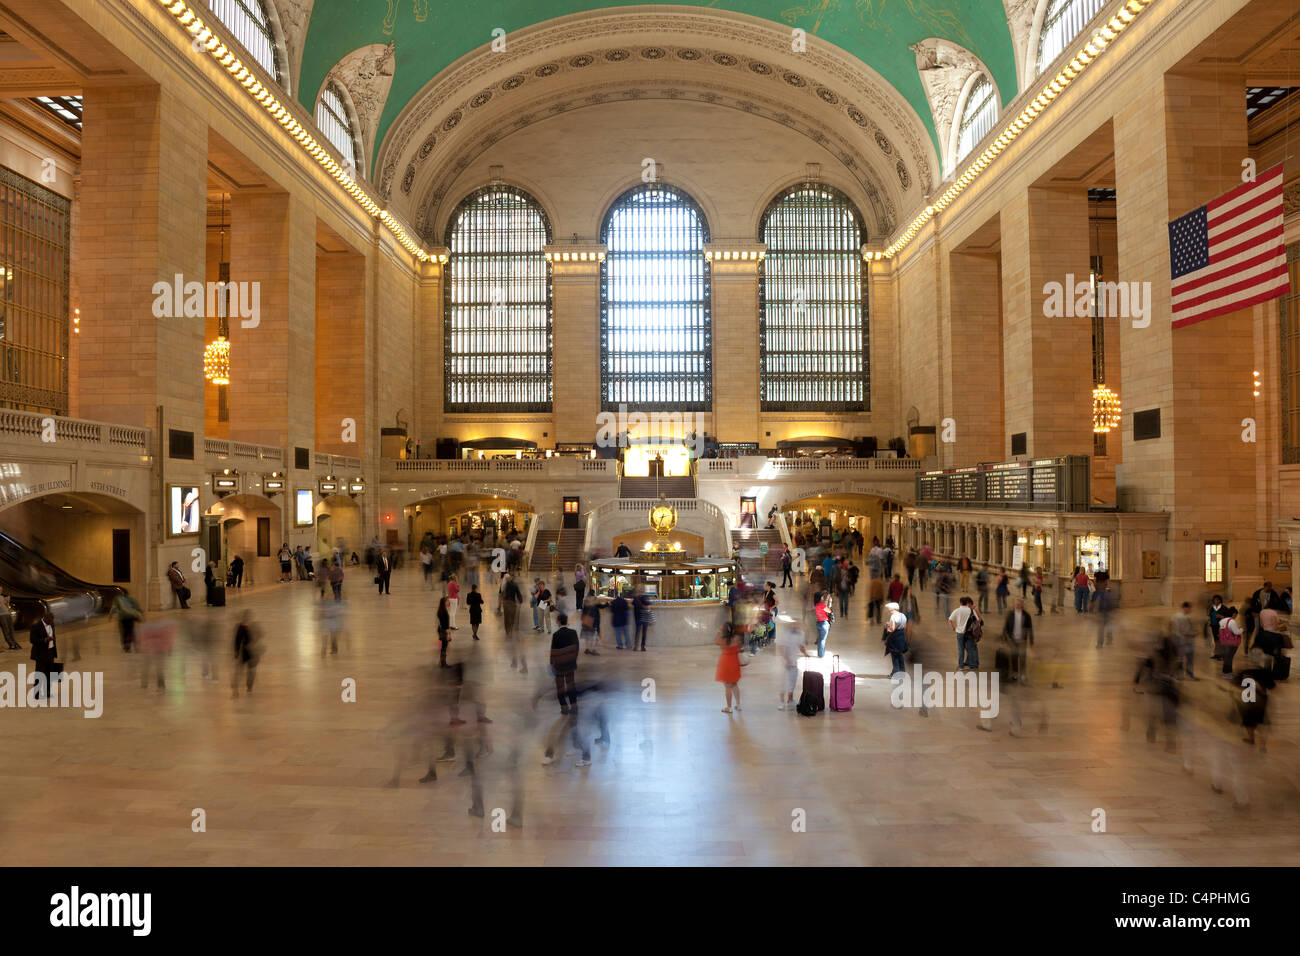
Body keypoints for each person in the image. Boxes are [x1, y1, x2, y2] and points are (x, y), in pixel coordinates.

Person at [549, 613, 580, 714]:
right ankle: (574, 706)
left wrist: (552, 664)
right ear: (566, 621)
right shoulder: (573, 633)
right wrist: (573, 660)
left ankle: (564, 707)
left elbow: (553, 651)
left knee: (560, 687)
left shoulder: (556, 635)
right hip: (570, 664)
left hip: (560, 666)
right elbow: (577, 648)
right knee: (571, 685)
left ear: (558, 622)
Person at [1002, 597, 1033, 682]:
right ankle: (1015, 673)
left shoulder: (1026, 615)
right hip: (1013, 640)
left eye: (1019, 603)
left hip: (1022, 640)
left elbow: (1030, 628)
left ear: (1022, 605)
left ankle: (1022, 674)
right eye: (1016, 603)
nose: (1017, 605)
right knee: (1014, 657)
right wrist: (1004, 636)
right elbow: (1006, 626)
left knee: (1023, 658)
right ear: (1014, 604)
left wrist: (1031, 639)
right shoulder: (1010, 614)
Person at [29, 608, 57, 700]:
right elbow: (32, 640)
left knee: (49, 673)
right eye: (50, 620)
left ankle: (47, 691)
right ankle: (36, 693)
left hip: (50, 652)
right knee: (40, 674)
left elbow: (53, 635)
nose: (51, 622)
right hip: (40, 654)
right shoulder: (36, 626)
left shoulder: (51, 624)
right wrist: (44, 640)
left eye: (52, 620)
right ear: (45, 618)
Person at [715, 624, 744, 714]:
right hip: (735, 662)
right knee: (734, 684)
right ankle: (738, 705)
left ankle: (729, 707)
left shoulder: (723, 639)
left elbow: (716, 642)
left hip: (726, 663)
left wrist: (719, 632)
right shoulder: (737, 638)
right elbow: (741, 648)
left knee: (727, 686)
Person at [948, 595, 980, 670]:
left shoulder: (957, 610)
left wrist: (953, 628)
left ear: (960, 603)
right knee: (970, 649)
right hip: (969, 633)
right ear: (967, 603)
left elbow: (950, 620)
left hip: (960, 633)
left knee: (960, 649)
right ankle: (972, 665)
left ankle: (961, 666)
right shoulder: (971, 610)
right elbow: (978, 620)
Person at [232, 614, 259, 696]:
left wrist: (236, 651)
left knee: (245, 670)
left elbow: (237, 641)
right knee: (250, 671)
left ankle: (243, 686)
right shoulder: (244, 628)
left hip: (245, 652)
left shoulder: (241, 627)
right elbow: (239, 640)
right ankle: (247, 687)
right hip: (247, 652)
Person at [1171, 601, 1198, 679]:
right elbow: (1186, 631)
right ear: (1186, 608)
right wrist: (1194, 634)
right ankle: (1189, 675)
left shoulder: (1175, 616)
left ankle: (1179, 675)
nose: (1190, 610)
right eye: (1189, 608)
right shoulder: (1184, 617)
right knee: (1189, 659)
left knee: (1180, 659)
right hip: (1186, 641)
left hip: (1178, 641)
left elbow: (1173, 629)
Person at [884, 601, 908, 676]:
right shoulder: (903, 615)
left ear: (892, 609)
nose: (889, 611)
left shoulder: (893, 616)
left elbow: (892, 629)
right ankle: (903, 671)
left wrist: (887, 627)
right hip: (901, 636)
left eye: (889, 610)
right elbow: (905, 627)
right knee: (900, 655)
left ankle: (895, 673)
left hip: (895, 638)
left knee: (894, 656)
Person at [1218, 607, 1243, 678]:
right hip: (1231, 642)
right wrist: (1241, 630)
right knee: (1229, 657)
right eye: (1236, 615)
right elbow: (1236, 632)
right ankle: (1226, 674)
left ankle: (1229, 672)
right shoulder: (1232, 621)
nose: (1236, 617)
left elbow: (1222, 630)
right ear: (1233, 614)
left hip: (1224, 641)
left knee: (1227, 657)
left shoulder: (1222, 620)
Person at [0, 585, 21, 650]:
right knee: (6, 630)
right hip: (1, 615)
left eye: (1, 590)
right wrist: (3, 602)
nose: (1, 591)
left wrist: (7, 602)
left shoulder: (1, 596)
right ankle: (11, 644)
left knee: (11, 629)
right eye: (0, 590)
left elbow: (6, 607)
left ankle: (14, 643)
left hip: (7, 614)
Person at [813, 590, 833, 658]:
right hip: (824, 624)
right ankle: (821, 654)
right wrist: (830, 604)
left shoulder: (816, 605)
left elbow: (823, 608)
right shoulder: (821, 605)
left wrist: (827, 601)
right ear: (820, 598)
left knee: (820, 639)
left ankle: (820, 653)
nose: (822, 597)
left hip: (819, 623)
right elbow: (829, 611)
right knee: (822, 640)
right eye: (822, 596)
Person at [436, 596, 451, 668]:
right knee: (444, 647)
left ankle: (442, 662)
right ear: (444, 603)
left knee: (442, 647)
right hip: (444, 631)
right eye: (447, 601)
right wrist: (448, 634)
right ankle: (443, 663)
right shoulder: (444, 612)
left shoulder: (440, 610)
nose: (449, 602)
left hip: (440, 630)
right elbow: (446, 625)